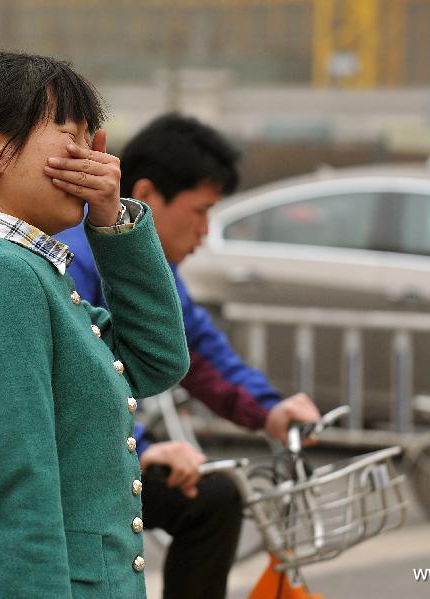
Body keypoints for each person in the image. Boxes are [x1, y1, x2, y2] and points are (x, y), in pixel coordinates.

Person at [0, 52, 189, 598]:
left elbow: (153, 359)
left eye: (92, 138)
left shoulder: (22, 269)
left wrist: (113, 221)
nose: (91, 157)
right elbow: (17, 499)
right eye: (68, 135)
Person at [55, 113, 321, 599]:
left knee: (211, 496)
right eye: (199, 211)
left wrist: (270, 410)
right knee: (210, 501)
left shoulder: (154, 270)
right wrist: (144, 445)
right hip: (68, 455)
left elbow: (199, 349)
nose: (204, 230)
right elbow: (71, 384)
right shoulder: (74, 262)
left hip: (109, 445)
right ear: (148, 196)